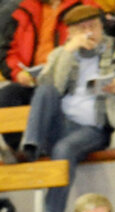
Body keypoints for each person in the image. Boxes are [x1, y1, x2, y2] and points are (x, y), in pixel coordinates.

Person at [19, 4, 115, 212]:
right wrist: (68, 52)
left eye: (93, 26)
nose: (89, 33)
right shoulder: (60, 54)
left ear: (102, 27)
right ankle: (31, 147)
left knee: (64, 149)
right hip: (60, 123)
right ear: (71, 33)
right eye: (81, 29)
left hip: (94, 127)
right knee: (45, 90)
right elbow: (47, 87)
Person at [0, 0, 95, 148]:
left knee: (47, 91)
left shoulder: (83, 6)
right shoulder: (22, 11)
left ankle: (37, 146)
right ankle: (17, 149)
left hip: (68, 79)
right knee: (7, 95)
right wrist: (19, 73)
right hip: (33, 79)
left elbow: (96, 41)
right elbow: (8, 51)